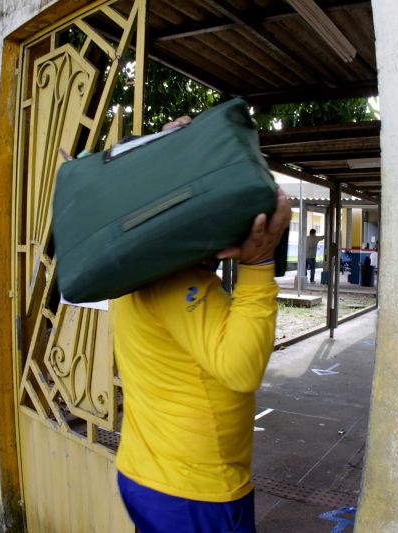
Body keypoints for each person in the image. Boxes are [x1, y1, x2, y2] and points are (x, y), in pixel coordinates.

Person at [112, 171, 290, 533]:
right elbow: (241, 369)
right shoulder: (177, 281)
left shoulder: (134, 270)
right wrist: (257, 266)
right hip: (192, 492)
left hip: (150, 475)